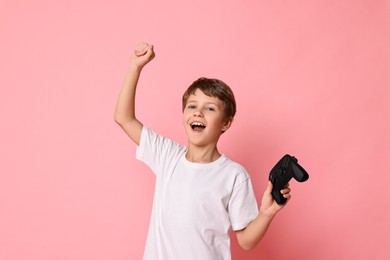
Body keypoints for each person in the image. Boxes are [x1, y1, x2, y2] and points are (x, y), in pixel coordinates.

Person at [114, 42, 291, 260]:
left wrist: (267, 212)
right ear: (184, 115)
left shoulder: (234, 175)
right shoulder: (167, 156)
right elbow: (123, 118)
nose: (198, 113)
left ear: (225, 123)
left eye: (209, 108)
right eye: (192, 106)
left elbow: (245, 241)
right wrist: (135, 66)